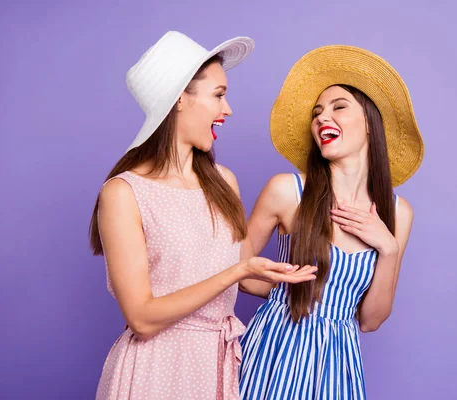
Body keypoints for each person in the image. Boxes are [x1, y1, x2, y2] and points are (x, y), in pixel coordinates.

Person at [89, 31, 317, 400]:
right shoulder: (122, 193)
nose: (227, 110)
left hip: (217, 367)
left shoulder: (224, 182)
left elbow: (246, 276)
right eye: (219, 95)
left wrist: (310, 283)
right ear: (180, 98)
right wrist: (239, 270)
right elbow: (143, 318)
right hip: (155, 373)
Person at [239, 45, 425, 399]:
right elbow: (238, 271)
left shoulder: (398, 213)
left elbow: (370, 320)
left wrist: (388, 248)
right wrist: (289, 293)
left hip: (338, 365)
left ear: (371, 123)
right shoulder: (288, 191)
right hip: (275, 351)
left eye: (339, 107)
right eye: (317, 112)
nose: (323, 118)